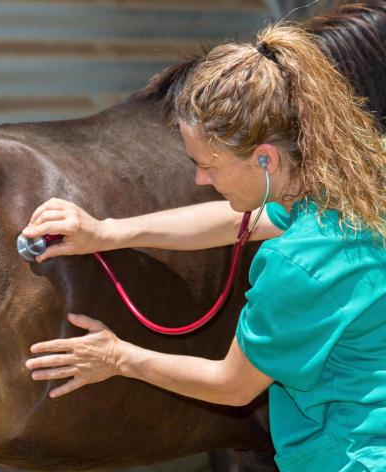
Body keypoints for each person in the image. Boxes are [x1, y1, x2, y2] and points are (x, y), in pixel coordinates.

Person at [23, 23, 386, 471]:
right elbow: (240, 220)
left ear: (266, 158)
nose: (200, 181)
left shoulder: (298, 264)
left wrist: (117, 357)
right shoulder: (349, 188)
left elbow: (232, 385)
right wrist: (109, 232)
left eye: (207, 165)